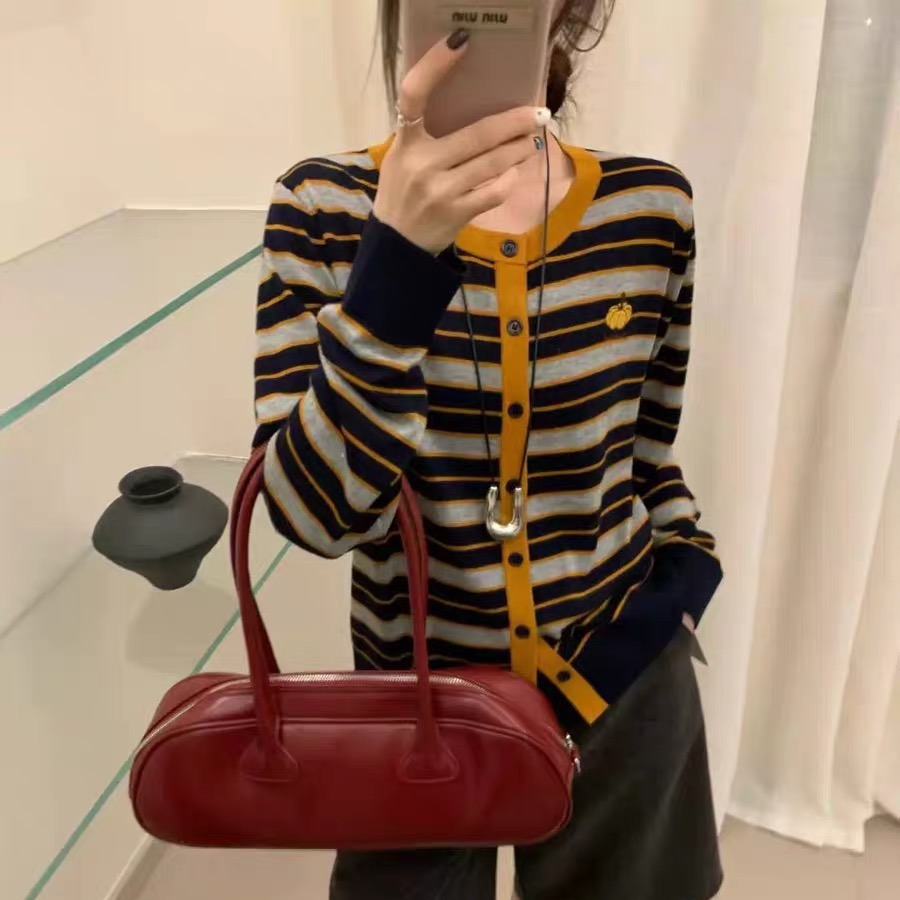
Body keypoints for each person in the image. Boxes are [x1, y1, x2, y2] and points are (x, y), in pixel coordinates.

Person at [252, 2, 723, 897]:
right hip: (415, 711)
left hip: (623, 683)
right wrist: (395, 262)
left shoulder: (651, 208)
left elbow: (648, 455)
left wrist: (686, 585)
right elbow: (314, 518)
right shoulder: (323, 207)